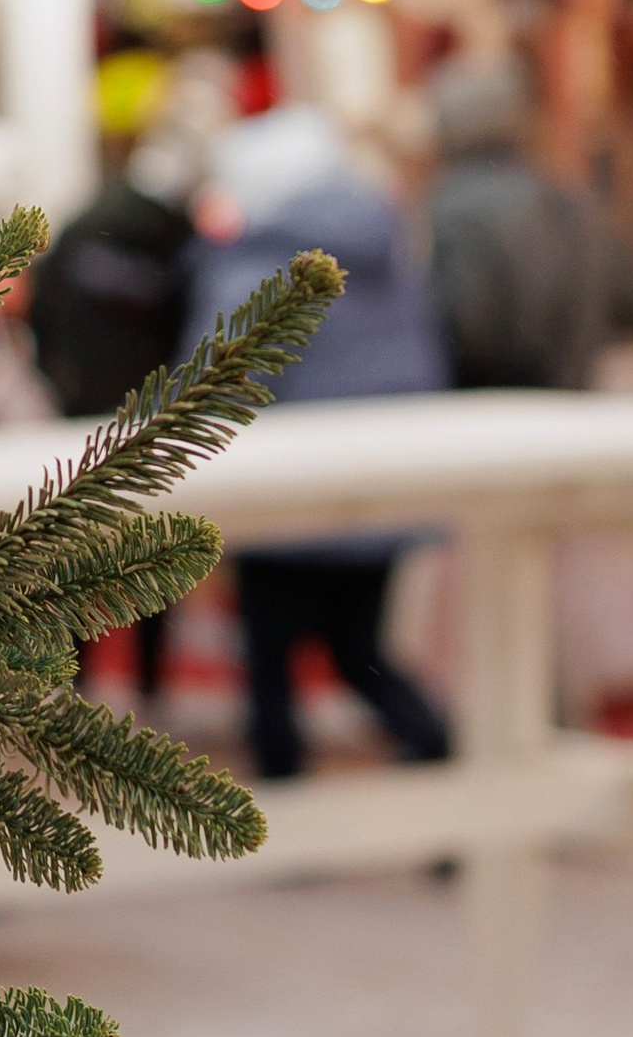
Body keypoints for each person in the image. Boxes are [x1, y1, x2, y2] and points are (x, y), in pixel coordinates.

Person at [179, 105, 453, 784]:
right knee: (358, 648)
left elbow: (214, 383)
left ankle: (286, 808)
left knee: (268, 659)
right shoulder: (387, 248)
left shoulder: (256, 263)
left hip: (284, 496)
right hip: (382, 485)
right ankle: (441, 755)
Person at [28, 161, 196, 697]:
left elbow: (42, 317)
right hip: (152, 418)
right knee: (153, 548)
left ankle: (76, 682)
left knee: (75, 556)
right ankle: (153, 684)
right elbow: (194, 325)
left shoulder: (81, 232)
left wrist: (62, 382)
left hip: (81, 420)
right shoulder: (178, 242)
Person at [424, 56, 629, 391]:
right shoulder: (563, 197)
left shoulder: (455, 207)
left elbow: (467, 327)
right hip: (573, 397)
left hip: (496, 411)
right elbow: (624, 302)